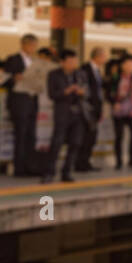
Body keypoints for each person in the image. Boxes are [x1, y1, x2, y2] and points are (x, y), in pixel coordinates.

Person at [42, 49, 87, 183]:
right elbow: (52, 94)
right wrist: (66, 91)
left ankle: (67, 172)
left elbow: (87, 91)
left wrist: (81, 92)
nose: (73, 64)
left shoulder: (80, 74)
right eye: (70, 61)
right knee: (57, 142)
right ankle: (49, 172)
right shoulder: (54, 75)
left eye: (75, 61)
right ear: (62, 62)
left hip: (78, 112)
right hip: (62, 112)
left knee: (75, 143)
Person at [0, 33, 39, 178]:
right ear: (24, 45)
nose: (33, 48)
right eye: (31, 45)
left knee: (31, 135)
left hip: (32, 101)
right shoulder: (13, 60)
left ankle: (31, 166)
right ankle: (19, 168)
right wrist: (14, 78)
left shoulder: (35, 61)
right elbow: (3, 79)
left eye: (35, 46)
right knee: (20, 135)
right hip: (19, 102)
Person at [109, 53, 132, 170]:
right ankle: (119, 162)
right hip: (119, 113)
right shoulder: (116, 78)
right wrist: (114, 102)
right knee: (119, 137)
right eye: (129, 64)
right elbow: (109, 93)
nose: (131, 66)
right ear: (122, 65)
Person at [76, 46, 107, 172]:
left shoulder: (98, 71)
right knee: (85, 137)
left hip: (96, 109)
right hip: (87, 109)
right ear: (97, 56)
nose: (105, 59)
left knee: (92, 137)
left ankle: (86, 161)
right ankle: (80, 163)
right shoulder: (85, 69)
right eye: (104, 56)